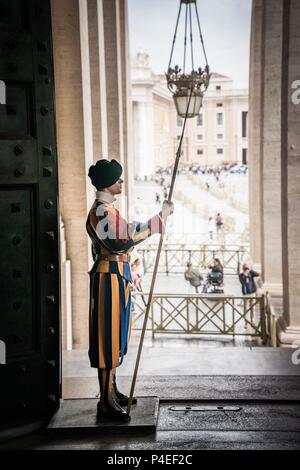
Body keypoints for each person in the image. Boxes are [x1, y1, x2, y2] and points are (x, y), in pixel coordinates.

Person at [86, 158, 174, 421]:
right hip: (108, 276)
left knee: (117, 336)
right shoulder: (101, 211)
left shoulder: (108, 209)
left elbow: (123, 235)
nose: (122, 182)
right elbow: (120, 240)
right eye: (118, 178)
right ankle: (105, 400)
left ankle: (112, 390)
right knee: (107, 339)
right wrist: (157, 221)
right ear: (108, 183)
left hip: (118, 275)